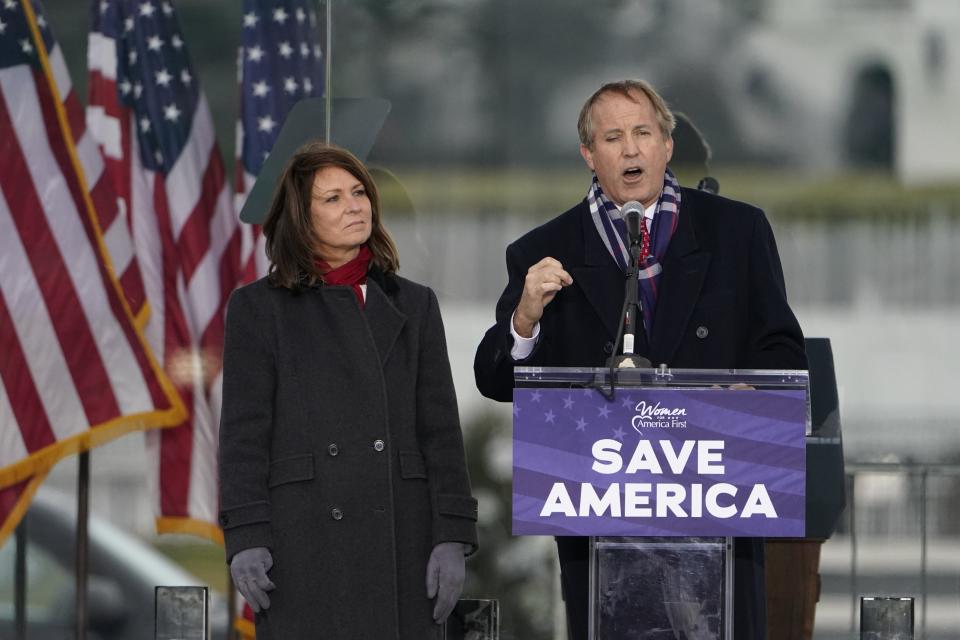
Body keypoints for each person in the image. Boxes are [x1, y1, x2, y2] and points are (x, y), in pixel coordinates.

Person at [474, 79, 806, 639]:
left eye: (643, 133)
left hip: (716, 497)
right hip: (603, 513)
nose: (630, 149)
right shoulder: (542, 250)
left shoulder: (737, 231)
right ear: (589, 154)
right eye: (612, 137)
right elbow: (496, 378)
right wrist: (524, 318)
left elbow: (782, 349)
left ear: (666, 145)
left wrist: (755, 395)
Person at [219, 142, 478, 639]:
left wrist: (452, 534)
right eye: (333, 198)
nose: (355, 205)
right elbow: (243, 436)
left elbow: (441, 432)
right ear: (301, 216)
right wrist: (246, 534)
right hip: (303, 542)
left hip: (404, 539)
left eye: (359, 192)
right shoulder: (257, 309)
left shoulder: (415, 304)